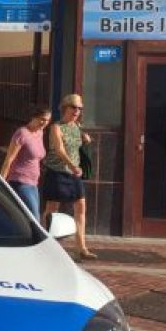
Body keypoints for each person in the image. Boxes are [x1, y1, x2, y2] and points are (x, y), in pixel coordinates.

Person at [42, 94, 97, 260]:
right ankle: (46, 243)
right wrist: (72, 166)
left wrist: (85, 139)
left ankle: (81, 247)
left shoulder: (77, 126)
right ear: (65, 107)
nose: (77, 111)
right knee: (52, 208)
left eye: (80, 108)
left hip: (74, 173)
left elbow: (76, 146)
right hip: (57, 171)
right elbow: (59, 149)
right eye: (74, 107)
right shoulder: (56, 127)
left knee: (81, 206)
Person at [0, 106, 52, 221]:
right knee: (34, 218)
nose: (44, 123)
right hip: (20, 181)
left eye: (48, 120)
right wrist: (1, 182)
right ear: (34, 117)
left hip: (34, 183)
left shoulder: (40, 132)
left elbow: (35, 156)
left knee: (26, 218)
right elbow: (9, 159)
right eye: (42, 119)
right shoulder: (22, 133)